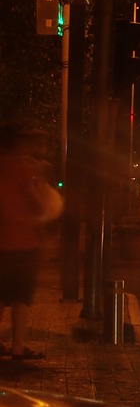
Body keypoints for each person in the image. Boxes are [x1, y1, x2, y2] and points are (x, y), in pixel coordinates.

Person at [0, 126, 58, 358]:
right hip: (22, 241)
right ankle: (17, 346)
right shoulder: (22, 170)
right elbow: (38, 203)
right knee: (20, 298)